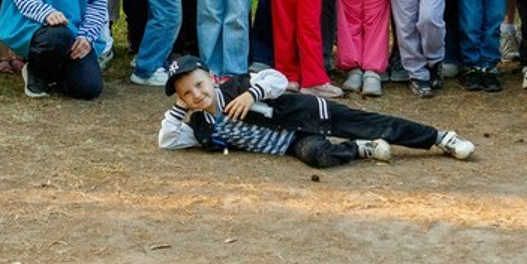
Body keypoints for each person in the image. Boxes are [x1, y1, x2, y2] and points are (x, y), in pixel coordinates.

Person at [157, 57, 475, 166]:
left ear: (210, 78)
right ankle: (358, 150)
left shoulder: (235, 87)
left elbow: (277, 78)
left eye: (199, 85)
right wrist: (178, 108)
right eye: (187, 93)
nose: (196, 95)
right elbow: (167, 141)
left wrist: (252, 94)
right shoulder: (202, 126)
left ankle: (439, 137)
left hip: (309, 113)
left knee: (372, 123)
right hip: (293, 143)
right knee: (319, 156)